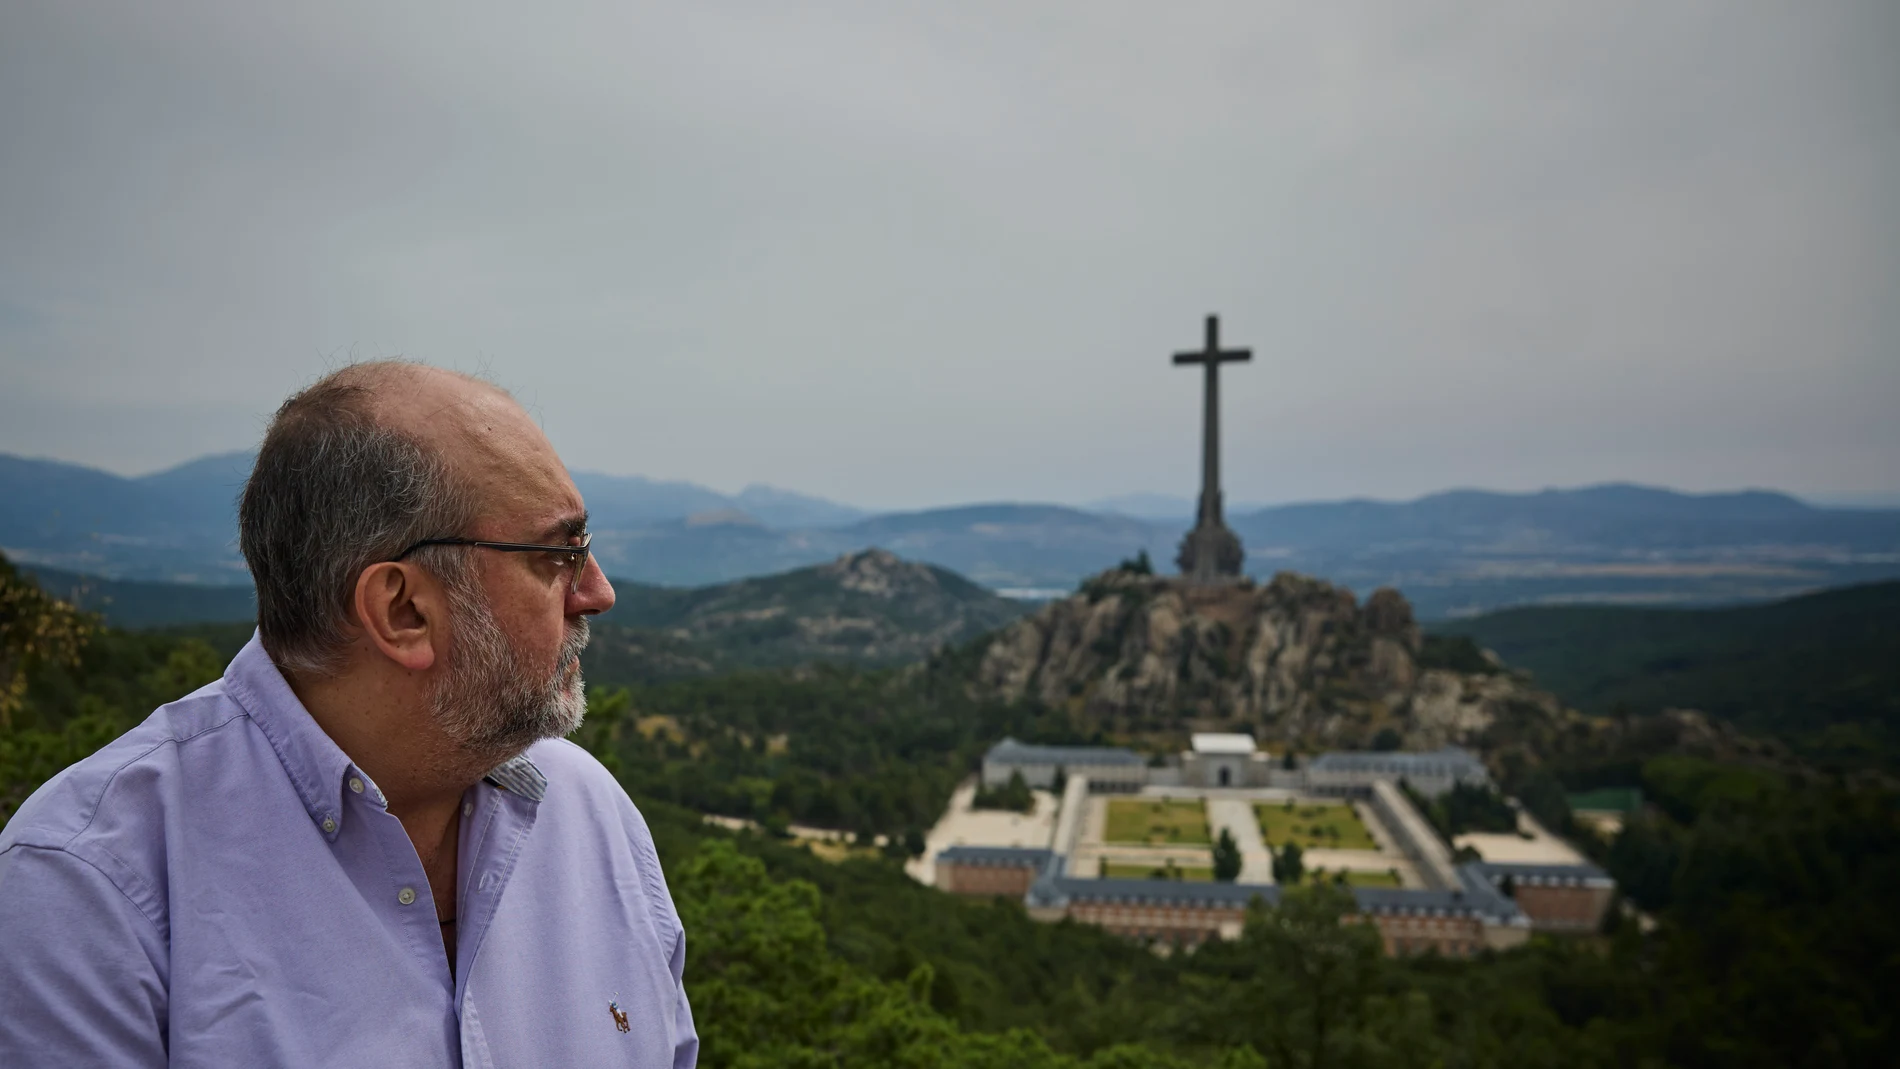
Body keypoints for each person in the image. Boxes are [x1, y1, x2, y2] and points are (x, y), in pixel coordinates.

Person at [0, 363, 698, 1066]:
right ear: (403, 610)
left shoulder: (593, 816)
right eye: (559, 553)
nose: (598, 591)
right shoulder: (89, 890)